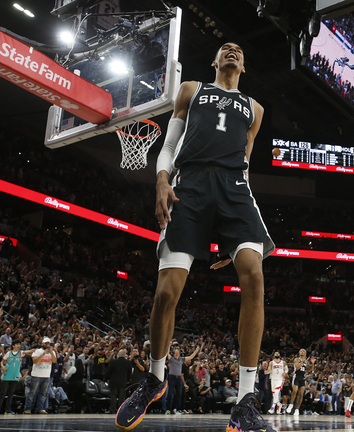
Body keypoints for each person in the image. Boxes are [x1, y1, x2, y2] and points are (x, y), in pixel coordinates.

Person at [115, 41, 274, 432]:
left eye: (239, 50)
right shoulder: (192, 89)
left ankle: (245, 402)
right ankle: (155, 378)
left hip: (235, 190)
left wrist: (233, 231)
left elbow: (245, 160)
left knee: (254, 275)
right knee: (166, 293)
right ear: (215, 61)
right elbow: (170, 144)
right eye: (225, 48)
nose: (233, 50)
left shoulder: (254, 109)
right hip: (190, 184)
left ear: (243, 64)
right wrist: (161, 180)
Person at [24, 336, 57, 414]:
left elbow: (54, 361)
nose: (47, 345)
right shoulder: (37, 351)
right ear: (42, 343)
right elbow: (35, 361)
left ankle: (40, 408)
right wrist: (43, 354)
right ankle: (27, 408)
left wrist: (51, 353)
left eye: (48, 343)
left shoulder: (52, 352)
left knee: (43, 393)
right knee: (32, 393)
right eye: (45, 343)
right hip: (36, 375)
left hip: (46, 376)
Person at [166, 344, 201, 414]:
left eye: (178, 353)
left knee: (179, 394)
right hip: (172, 377)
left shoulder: (181, 359)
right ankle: (168, 409)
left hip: (178, 378)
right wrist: (168, 346)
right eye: (175, 353)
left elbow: (191, 357)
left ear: (179, 354)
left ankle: (178, 409)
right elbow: (167, 353)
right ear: (173, 354)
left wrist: (196, 350)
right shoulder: (171, 359)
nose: (177, 354)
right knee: (170, 394)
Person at [0, 340, 28, 414]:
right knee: (3, 393)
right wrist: (2, 366)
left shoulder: (20, 353)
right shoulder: (9, 353)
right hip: (7, 374)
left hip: (15, 375)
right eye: (17, 344)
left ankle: (8, 409)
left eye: (19, 344)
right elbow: (2, 361)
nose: (18, 345)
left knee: (11, 393)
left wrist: (33, 351)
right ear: (13, 346)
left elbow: (27, 352)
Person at [286, 349, 314, 416]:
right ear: (299, 353)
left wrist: (312, 363)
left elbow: (311, 368)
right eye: (301, 351)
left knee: (301, 394)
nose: (302, 352)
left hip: (302, 378)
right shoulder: (296, 359)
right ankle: (291, 404)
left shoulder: (306, 361)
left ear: (305, 354)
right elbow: (298, 368)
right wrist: (302, 361)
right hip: (296, 376)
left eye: (303, 351)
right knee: (295, 391)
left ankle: (297, 409)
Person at [106, 349, 133, 414]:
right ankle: (120, 410)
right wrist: (128, 380)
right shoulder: (128, 362)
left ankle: (112, 410)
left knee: (113, 396)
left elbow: (108, 371)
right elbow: (129, 372)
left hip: (114, 381)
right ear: (124, 355)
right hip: (123, 381)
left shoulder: (113, 361)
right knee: (121, 397)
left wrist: (105, 379)